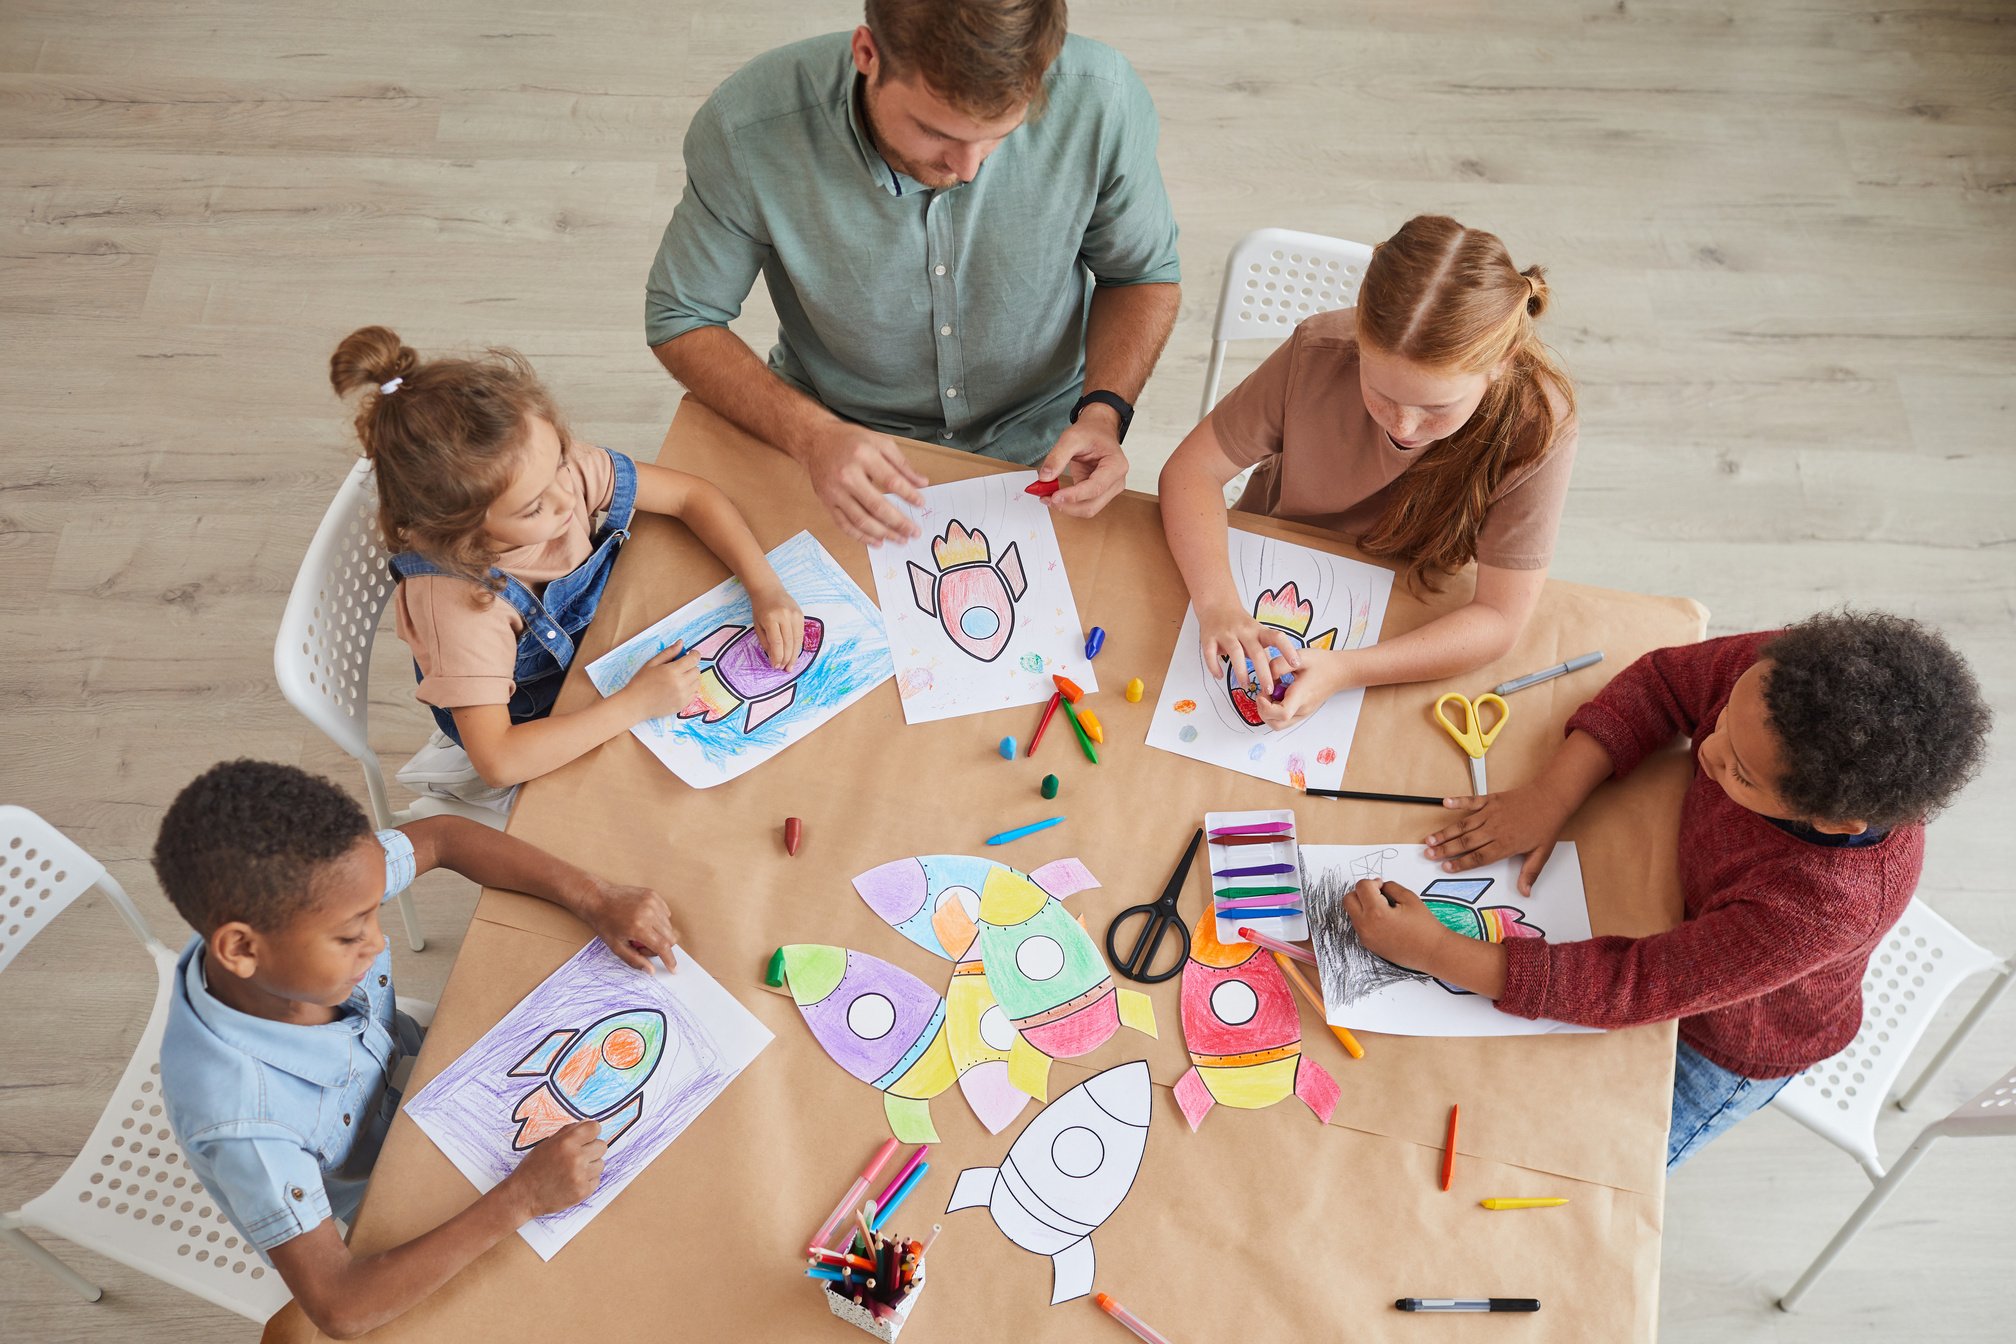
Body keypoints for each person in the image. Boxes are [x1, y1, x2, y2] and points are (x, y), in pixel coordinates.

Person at [1340, 611, 1992, 1169]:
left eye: (1738, 770)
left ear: (1831, 820)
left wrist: (1433, 950)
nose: (1707, 744)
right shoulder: (1789, 682)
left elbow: (1633, 986)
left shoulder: (1822, 906)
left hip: (1725, 1045)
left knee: (1581, 1168)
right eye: (1726, 715)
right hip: (1677, 909)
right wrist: (1551, 794)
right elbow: (1664, 684)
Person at [155, 761, 684, 1337]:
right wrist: (522, 1199)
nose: (378, 942)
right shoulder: (247, 1128)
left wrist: (594, 895)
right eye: (350, 934)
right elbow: (341, 1306)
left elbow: (442, 837)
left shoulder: (305, 891)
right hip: (387, 1208)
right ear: (241, 949)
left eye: (374, 912)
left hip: (428, 1083)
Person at [647, 0, 1182, 544]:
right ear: (867, 54)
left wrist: (1104, 412)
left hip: (1045, 434)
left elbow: (1139, 275)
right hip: (834, 432)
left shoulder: (1102, 98)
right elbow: (683, 316)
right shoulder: (747, 128)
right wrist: (811, 436)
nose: (968, 169)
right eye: (934, 131)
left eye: (1001, 131)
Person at [329, 325, 804, 795]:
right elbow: (499, 759)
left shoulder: (545, 470)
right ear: (462, 526)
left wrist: (765, 587)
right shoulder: (461, 604)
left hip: (605, 656)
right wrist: (632, 705)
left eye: (558, 461)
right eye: (533, 507)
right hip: (541, 723)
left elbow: (691, 496)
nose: (566, 498)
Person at [1159, 215, 1577, 729]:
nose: (1404, 425)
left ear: (1502, 360)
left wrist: (1345, 670)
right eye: (1380, 393)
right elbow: (1190, 470)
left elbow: (1499, 619)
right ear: (1359, 336)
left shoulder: (1539, 425)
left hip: (1411, 601)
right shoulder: (1318, 352)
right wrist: (1218, 602)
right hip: (1270, 552)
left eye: (1436, 407)